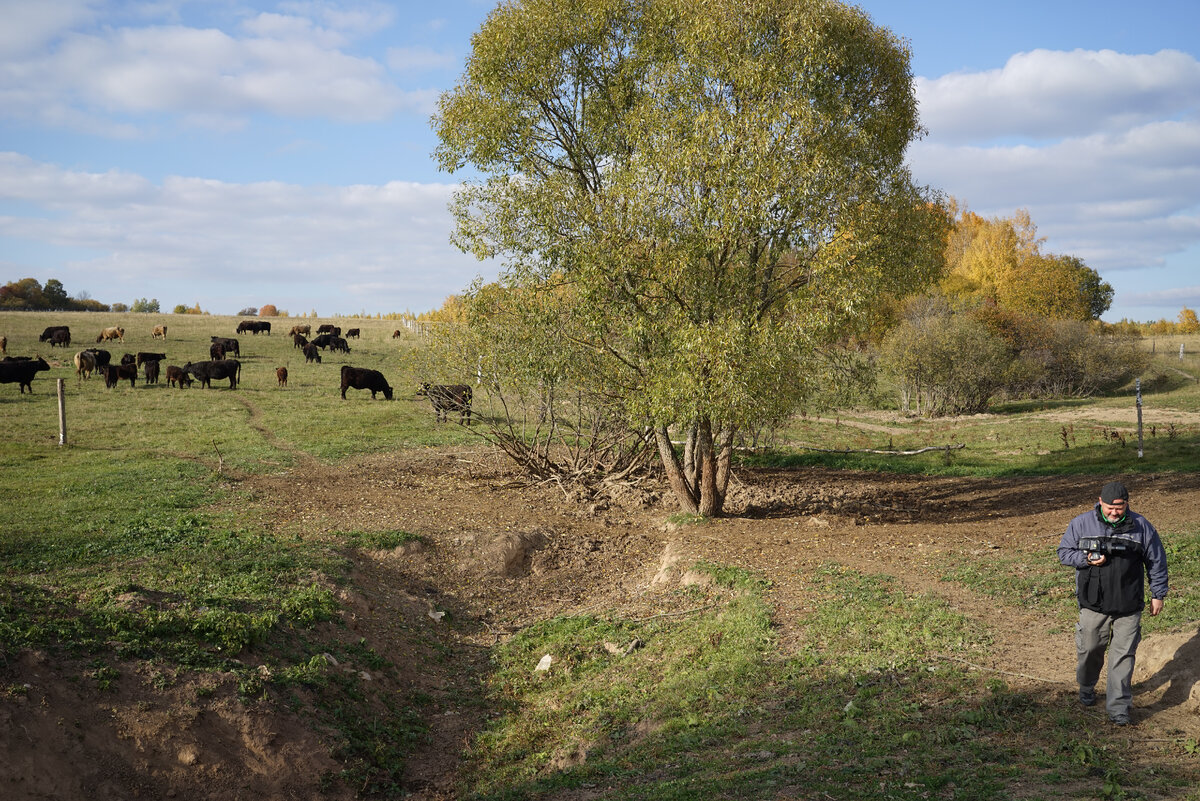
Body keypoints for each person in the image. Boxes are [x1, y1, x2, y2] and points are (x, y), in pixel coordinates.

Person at [1057, 480, 1168, 725]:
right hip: (1093, 603)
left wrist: (1157, 594)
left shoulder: (1142, 526)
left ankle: (1118, 708)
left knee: (1123, 656)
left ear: (1127, 504)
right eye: (1109, 507)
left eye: (1119, 507)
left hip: (1129, 604)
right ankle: (1086, 686)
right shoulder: (1081, 523)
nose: (1114, 512)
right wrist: (1085, 558)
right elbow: (1064, 553)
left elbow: (1156, 561)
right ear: (1100, 502)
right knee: (1090, 650)